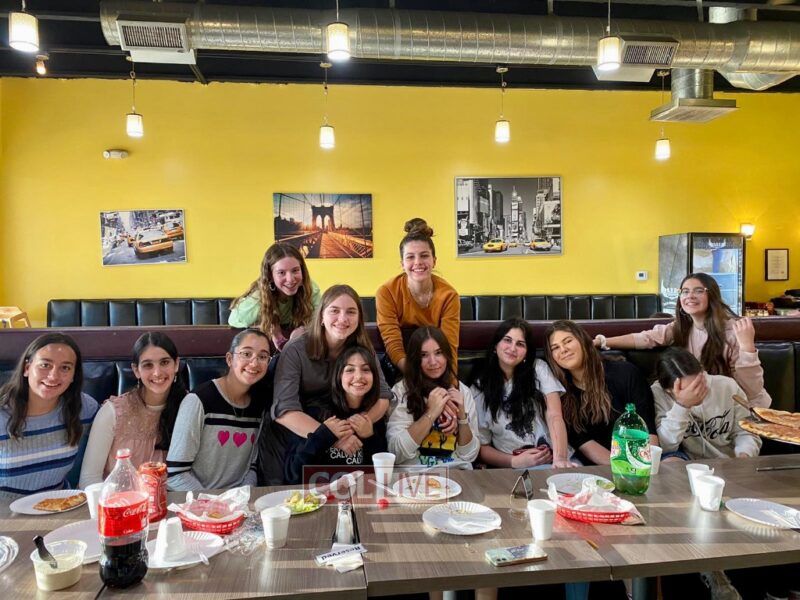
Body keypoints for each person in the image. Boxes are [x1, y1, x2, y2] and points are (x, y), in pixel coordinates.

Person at [262, 285, 392, 484]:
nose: (343, 318)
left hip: (346, 428)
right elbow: (284, 411)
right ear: (321, 316)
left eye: (351, 312)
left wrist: (358, 426)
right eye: (334, 311)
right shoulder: (296, 350)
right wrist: (330, 437)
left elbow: (383, 397)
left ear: (359, 319)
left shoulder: (363, 349)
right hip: (300, 433)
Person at [593, 273, 771, 408]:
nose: (690, 296)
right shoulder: (681, 327)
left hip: (741, 408)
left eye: (698, 291)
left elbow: (751, 389)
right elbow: (646, 338)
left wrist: (747, 347)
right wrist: (602, 341)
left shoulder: (733, 330)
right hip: (703, 405)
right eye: (685, 291)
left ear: (712, 295)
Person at [166, 328, 269, 491]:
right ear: (229, 359)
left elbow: (251, 467)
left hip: (239, 501)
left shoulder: (260, 405)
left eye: (262, 357)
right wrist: (215, 503)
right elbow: (175, 475)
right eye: (246, 354)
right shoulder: (198, 400)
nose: (254, 363)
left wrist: (243, 495)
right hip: (199, 501)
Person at [79, 332, 186, 488]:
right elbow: (89, 479)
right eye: (148, 365)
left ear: (176, 364)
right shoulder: (113, 412)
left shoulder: (190, 406)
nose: (157, 372)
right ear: (136, 370)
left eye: (164, 362)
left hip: (174, 500)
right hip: (118, 500)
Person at [545, 320, 658, 465]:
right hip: (597, 467)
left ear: (584, 341)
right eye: (555, 347)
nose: (563, 349)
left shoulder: (626, 373)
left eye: (568, 341)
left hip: (641, 460)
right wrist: (619, 468)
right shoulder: (560, 393)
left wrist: (641, 466)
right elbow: (583, 442)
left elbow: (647, 428)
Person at [0, 333, 97, 497]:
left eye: (65, 368)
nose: (53, 376)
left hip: (61, 506)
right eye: (45, 365)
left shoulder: (83, 408)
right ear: (27, 368)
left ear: (74, 375)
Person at [472, 319, 574, 469]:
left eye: (520, 344)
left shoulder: (538, 368)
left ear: (527, 352)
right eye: (507, 340)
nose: (512, 348)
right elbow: (481, 446)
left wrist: (560, 459)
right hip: (513, 467)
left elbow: (554, 415)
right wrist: (514, 462)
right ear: (495, 346)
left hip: (553, 459)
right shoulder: (479, 387)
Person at [284, 346, 388, 484]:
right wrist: (325, 435)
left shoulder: (375, 414)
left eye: (366, 369)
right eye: (350, 370)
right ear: (339, 375)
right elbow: (293, 475)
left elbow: (382, 476)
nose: (359, 376)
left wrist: (370, 438)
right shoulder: (317, 412)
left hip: (361, 493)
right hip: (320, 493)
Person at [386, 326, 479, 469]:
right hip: (414, 476)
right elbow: (396, 453)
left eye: (438, 353)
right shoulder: (401, 390)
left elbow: (469, 455)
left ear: (447, 355)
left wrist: (462, 417)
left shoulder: (462, 391)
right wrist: (431, 413)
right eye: (424, 355)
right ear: (415, 359)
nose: (433, 362)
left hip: (456, 474)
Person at [376, 218, 460, 373]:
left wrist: (450, 382)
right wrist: (414, 376)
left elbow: (449, 347)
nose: (418, 262)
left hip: (437, 367)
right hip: (402, 368)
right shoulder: (386, 292)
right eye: (410, 257)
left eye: (424, 256)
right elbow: (393, 342)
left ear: (434, 261)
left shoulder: (449, 296)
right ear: (402, 264)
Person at [652, 348, 761, 460]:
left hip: (729, 461)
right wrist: (682, 406)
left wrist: (744, 454)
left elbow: (746, 431)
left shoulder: (728, 386)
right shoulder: (658, 393)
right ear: (668, 390)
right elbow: (665, 447)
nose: (696, 393)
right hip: (688, 461)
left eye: (699, 383)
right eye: (687, 390)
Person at [228, 242, 321, 351]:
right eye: (281, 272)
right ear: (270, 276)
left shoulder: (310, 288)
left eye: (295, 270)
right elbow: (234, 320)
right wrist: (269, 324)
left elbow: (320, 318)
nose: (290, 279)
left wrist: (305, 329)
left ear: (302, 271)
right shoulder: (259, 296)